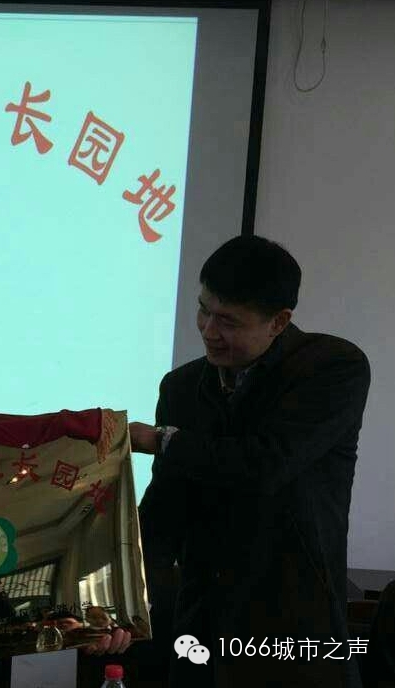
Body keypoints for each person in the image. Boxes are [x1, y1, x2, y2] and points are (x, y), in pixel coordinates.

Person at [129, 235, 371, 687]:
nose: (208, 331)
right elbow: (165, 510)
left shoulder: (333, 368)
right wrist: (122, 601)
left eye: (228, 321)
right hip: (201, 630)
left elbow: (266, 464)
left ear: (279, 321)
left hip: (295, 632)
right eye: (203, 310)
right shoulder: (181, 387)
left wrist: (161, 439)